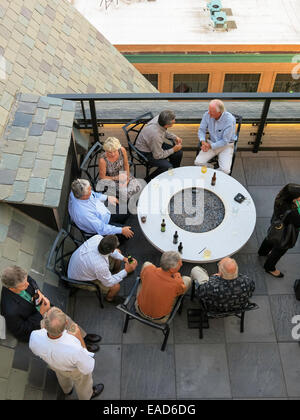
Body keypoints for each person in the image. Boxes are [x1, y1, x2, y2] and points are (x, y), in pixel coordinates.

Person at [0, 266, 101, 351]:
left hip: (43, 308)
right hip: (35, 325)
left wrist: (38, 293)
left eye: (26, 281)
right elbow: (22, 331)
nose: (27, 285)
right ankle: (80, 347)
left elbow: (31, 281)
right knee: (60, 336)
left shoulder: (21, 278)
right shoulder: (10, 311)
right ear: (12, 288)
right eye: (24, 285)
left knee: (65, 320)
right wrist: (42, 313)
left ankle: (83, 337)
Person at [29, 307, 104, 400]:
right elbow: (88, 367)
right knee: (83, 384)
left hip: (54, 365)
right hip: (74, 370)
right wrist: (79, 337)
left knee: (61, 377)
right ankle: (87, 396)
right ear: (67, 323)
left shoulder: (35, 336)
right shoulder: (73, 346)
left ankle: (67, 390)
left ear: (44, 325)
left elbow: (35, 350)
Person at [68, 234, 137, 304]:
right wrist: (126, 271)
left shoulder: (97, 237)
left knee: (118, 251)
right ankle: (109, 299)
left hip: (79, 265)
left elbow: (115, 252)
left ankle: (116, 273)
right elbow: (108, 283)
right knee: (116, 287)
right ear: (112, 250)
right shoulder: (100, 266)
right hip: (76, 279)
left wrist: (124, 259)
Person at [135, 251, 191, 323]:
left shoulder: (148, 269)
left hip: (139, 309)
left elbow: (145, 272)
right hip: (160, 318)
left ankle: (150, 285)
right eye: (180, 263)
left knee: (146, 264)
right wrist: (177, 276)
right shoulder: (177, 282)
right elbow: (181, 291)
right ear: (172, 269)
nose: (182, 264)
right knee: (187, 279)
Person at [68, 178, 134, 239]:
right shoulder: (84, 214)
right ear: (83, 197)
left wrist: (107, 197)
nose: (91, 190)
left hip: (104, 212)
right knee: (130, 232)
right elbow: (101, 228)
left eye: (90, 188)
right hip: (102, 226)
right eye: (89, 191)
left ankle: (120, 223)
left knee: (128, 210)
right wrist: (121, 230)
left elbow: (94, 194)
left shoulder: (76, 191)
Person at [258, 183, 300, 277]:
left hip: (276, 224)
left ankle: (262, 252)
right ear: (293, 198)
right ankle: (269, 267)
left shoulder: (280, 198)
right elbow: (297, 223)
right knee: (279, 250)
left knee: (270, 237)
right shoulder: (292, 212)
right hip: (285, 234)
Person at [135, 110, 183, 182]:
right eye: (173, 120)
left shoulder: (159, 118)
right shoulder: (156, 136)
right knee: (167, 167)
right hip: (145, 152)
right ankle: (147, 181)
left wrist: (175, 137)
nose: (174, 121)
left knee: (178, 153)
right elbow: (157, 155)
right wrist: (173, 149)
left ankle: (173, 173)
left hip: (153, 144)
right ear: (167, 125)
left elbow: (163, 131)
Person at [194, 99, 236, 174]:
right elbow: (201, 130)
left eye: (211, 112)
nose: (209, 113)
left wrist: (209, 146)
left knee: (225, 170)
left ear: (220, 112)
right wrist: (203, 142)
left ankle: (213, 175)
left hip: (226, 145)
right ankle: (212, 169)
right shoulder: (207, 114)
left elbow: (225, 141)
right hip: (211, 142)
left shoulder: (230, 120)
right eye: (209, 110)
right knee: (197, 162)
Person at [97, 137, 143, 201]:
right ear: (106, 150)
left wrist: (127, 177)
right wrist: (116, 178)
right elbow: (102, 177)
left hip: (122, 174)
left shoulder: (122, 150)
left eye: (114, 151)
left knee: (138, 187)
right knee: (126, 195)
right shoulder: (103, 160)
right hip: (110, 179)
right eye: (110, 152)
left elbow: (126, 164)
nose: (112, 154)